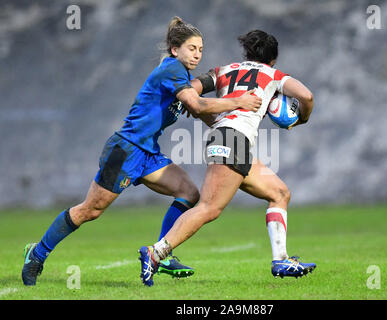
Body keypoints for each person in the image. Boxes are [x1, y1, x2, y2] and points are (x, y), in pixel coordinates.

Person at [21, 17, 262, 286]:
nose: (197, 54)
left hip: (148, 154)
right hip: (125, 150)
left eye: (201, 49)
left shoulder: (182, 76)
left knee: (189, 192)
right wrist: (238, 102)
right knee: (90, 210)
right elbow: (197, 105)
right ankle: (37, 253)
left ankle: (163, 253)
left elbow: (200, 110)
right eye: (192, 48)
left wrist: (230, 129)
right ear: (175, 49)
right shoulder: (172, 70)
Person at [139, 29, 316, 286]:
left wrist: (197, 110)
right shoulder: (274, 75)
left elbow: (191, 90)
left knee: (279, 193)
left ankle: (281, 260)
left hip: (228, 139)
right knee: (209, 208)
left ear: (247, 52)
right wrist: (303, 118)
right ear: (273, 59)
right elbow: (306, 96)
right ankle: (156, 252)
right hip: (233, 140)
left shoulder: (224, 70)